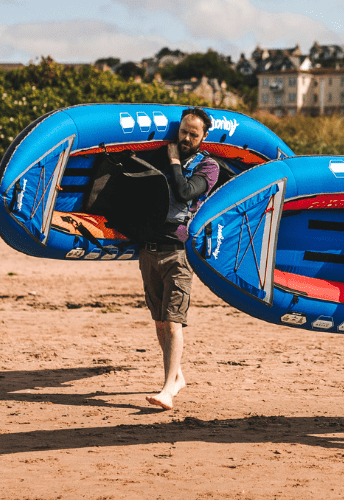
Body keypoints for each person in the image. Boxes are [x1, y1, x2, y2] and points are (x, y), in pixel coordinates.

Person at [137, 107, 219, 410]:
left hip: (180, 253)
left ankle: (168, 389)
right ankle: (177, 376)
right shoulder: (158, 156)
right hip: (149, 249)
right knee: (159, 323)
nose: (185, 137)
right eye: (183, 131)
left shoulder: (209, 167)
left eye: (193, 134)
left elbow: (185, 193)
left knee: (172, 322)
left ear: (203, 136)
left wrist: (172, 160)